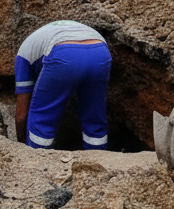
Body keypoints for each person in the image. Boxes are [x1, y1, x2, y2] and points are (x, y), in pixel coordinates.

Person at [15, 20, 112, 150]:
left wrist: (20, 145)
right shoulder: (39, 39)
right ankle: (99, 157)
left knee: (42, 117)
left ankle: (37, 157)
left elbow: (21, 114)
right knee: (94, 114)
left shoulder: (22, 57)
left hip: (63, 53)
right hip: (100, 51)